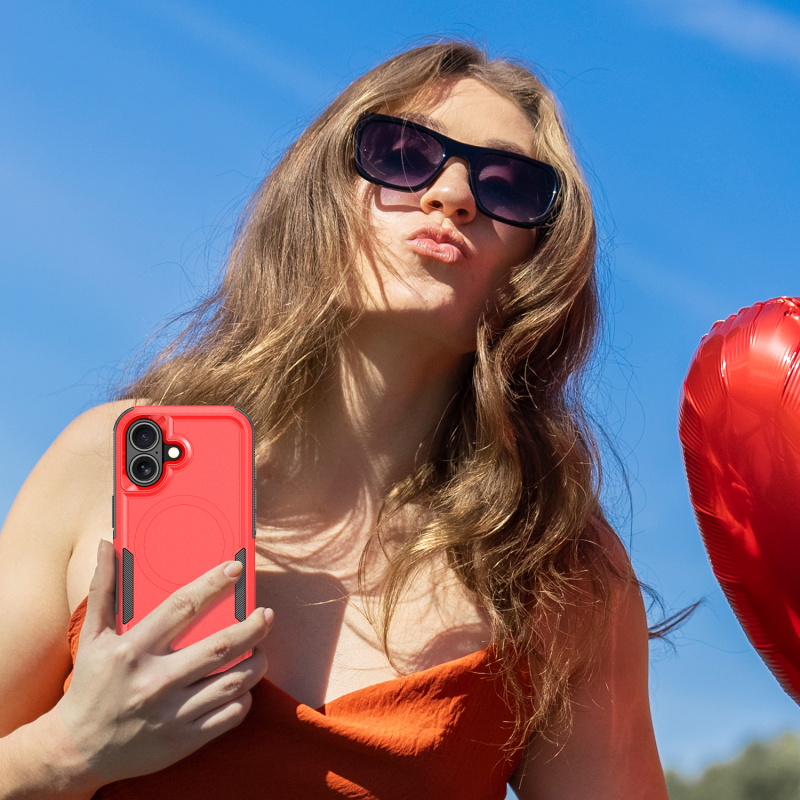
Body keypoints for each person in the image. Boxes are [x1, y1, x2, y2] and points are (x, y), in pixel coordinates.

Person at [0, 40, 670, 799]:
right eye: (404, 154)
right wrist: (70, 750)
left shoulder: (559, 567)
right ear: (321, 195)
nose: (453, 194)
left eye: (508, 186)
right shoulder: (108, 461)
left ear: (538, 258)